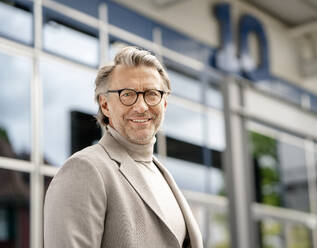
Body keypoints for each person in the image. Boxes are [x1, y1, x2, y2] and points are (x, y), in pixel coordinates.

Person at [44, 46, 203, 248]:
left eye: (151, 94)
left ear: (164, 104)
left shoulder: (161, 174)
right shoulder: (85, 169)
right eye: (127, 94)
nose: (141, 106)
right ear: (105, 105)